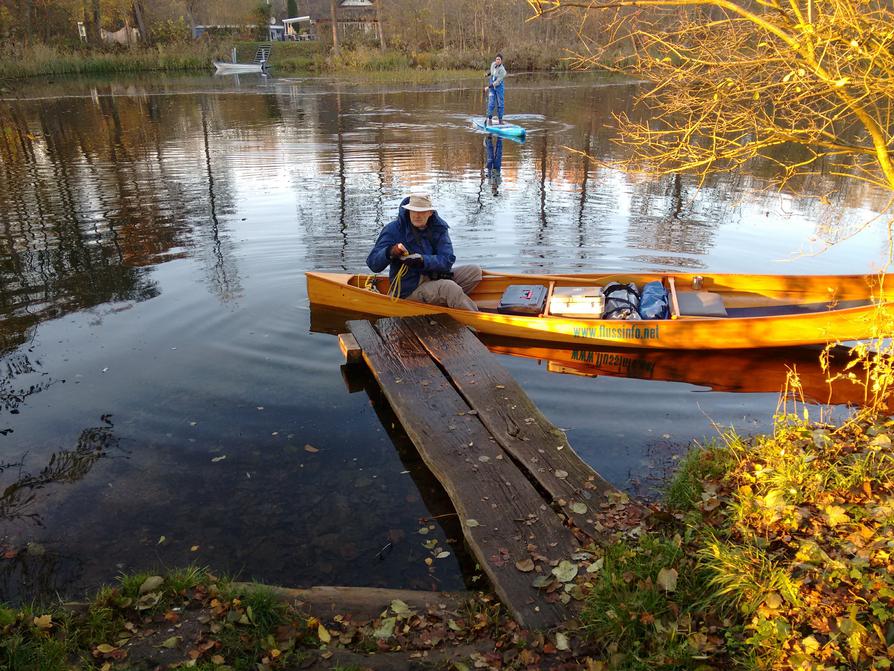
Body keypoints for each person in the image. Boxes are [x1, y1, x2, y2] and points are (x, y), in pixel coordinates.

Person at [367, 193, 482, 311]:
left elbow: (447, 260)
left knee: (475, 272)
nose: (417, 215)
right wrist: (390, 252)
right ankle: (479, 322)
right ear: (408, 211)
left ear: (430, 213)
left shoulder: (439, 228)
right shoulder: (393, 229)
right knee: (449, 288)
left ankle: (446, 303)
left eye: (422, 211)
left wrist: (423, 260)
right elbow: (373, 264)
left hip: (434, 279)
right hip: (408, 290)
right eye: (413, 211)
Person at [484, 53, 506, 126]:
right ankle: (489, 119)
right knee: (491, 103)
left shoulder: (502, 70)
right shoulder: (493, 64)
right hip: (492, 84)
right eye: (496, 59)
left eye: (499, 59)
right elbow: (492, 71)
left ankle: (500, 120)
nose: (497, 61)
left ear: (501, 61)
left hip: (499, 86)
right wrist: (487, 74)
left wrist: (488, 87)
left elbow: (497, 82)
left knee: (500, 104)